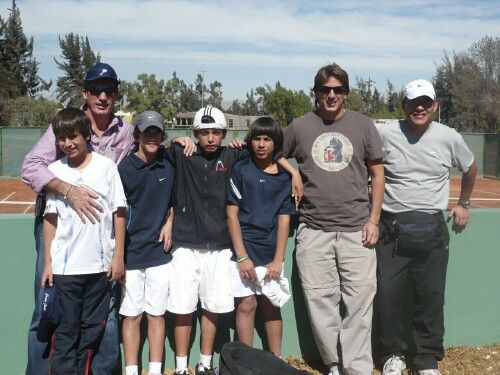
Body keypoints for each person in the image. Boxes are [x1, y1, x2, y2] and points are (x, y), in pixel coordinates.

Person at [22, 62, 195, 375]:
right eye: (96, 90)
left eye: (110, 91)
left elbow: (146, 154)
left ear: (116, 95)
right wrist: (68, 190)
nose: (103, 96)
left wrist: (176, 144)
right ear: (85, 94)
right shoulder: (66, 125)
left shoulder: (126, 131)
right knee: (49, 309)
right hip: (62, 231)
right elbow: (31, 166)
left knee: (104, 311)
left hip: (103, 235)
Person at [167, 106, 301, 375]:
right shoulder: (182, 153)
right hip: (199, 247)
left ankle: (218, 364)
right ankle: (195, 366)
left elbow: (272, 151)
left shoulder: (234, 154)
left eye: (216, 132)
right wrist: (175, 140)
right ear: (194, 133)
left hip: (226, 249)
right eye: (204, 133)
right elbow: (150, 147)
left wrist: (294, 172)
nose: (210, 138)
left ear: (225, 134)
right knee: (191, 308)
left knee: (227, 308)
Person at [282, 63, 385, 375]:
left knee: (359, 304)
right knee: (320, 302)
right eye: (325, 89)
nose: (331, 95)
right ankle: (334, 364)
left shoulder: (364, 125)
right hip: (314, 231)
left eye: (337, 90)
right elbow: (271, 152)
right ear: (315, 93)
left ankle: (358, 368)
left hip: (357, 230)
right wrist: (293, 172)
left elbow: (378, 174)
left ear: (346, 94)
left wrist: (374, 220)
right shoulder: (299, 127)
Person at [375, 80, 477, 375]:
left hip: (432, 229)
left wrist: (464, 203)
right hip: (391, 230)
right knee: (387, 295)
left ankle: (426, 358)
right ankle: (392, 354)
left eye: (425, 102)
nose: (419, 107)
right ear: (403, 105)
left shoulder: (449, 136)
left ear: (435, 105)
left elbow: (469, 167)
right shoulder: (385, 133)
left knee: (430, 296)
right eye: (412, 101)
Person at [40, 107, 127, 374]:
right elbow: (50, 219)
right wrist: (48, 263)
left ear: (87, 135)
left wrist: (118, 256)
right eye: (61, 139)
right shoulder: (55, 172)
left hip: (99, 270)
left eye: (73, 137)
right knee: (65, 335)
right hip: (66, 273)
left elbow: (119, 212)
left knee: (91, 334)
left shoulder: (107, 167)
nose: (67, 144)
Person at [227, 117, 296, 358]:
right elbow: (231, 215)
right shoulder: (241, 169)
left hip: (271, 255)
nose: (261, 144)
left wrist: (278, 260)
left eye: (267, 139)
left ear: (275, 142)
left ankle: (275, 362)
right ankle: (245, 364)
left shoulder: (285, 178)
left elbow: (284, 219)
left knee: (271, 306)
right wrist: (242, 256)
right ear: (250, 141)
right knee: (247, 305)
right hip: (244, 251)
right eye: (257, 138)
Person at [117, 111, 175, 375]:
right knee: (132, 316)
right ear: (137, 135)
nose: (152, 137)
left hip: (159, 255)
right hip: (130, 256)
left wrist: (170, 220)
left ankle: (154, 371)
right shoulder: (124, 168)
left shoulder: (169, 163)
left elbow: (174, 201)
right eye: (146, 132)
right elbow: (117, 213)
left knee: (156, 314)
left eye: (156, 132)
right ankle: (131, 371)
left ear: (163, 136)